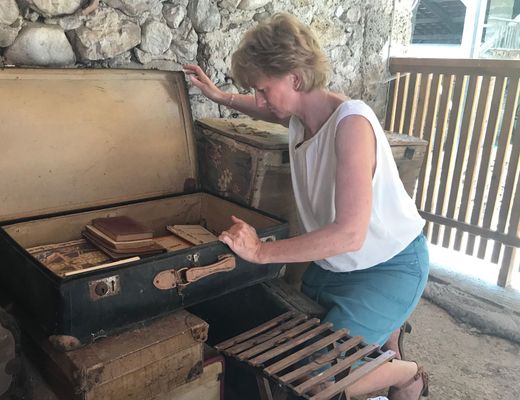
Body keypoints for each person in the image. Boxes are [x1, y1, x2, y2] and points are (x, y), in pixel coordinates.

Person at [184, 13, 430, 400]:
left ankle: (405, 373)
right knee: (290, 354)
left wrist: (262, 251)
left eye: (263, 89)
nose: (260, 99)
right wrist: (221, 97)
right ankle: (383, 343)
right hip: (332, 268)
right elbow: (263, 108)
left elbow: (350, 234)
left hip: (389, 267)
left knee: (314, 382)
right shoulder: (298, 115)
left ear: (295, 79)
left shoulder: (352, 125)